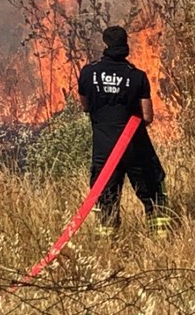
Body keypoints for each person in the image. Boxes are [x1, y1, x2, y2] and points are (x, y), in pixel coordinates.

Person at [78, 26, 170, 237]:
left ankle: (107, 249)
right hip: (134, 148)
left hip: (104, 151)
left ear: (105, 43)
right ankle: (161, 239)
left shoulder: (88, 72)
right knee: (153, 192)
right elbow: (147, 116)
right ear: (125, 43)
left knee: (106, 200)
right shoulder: (136, 76)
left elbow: (85, 105)